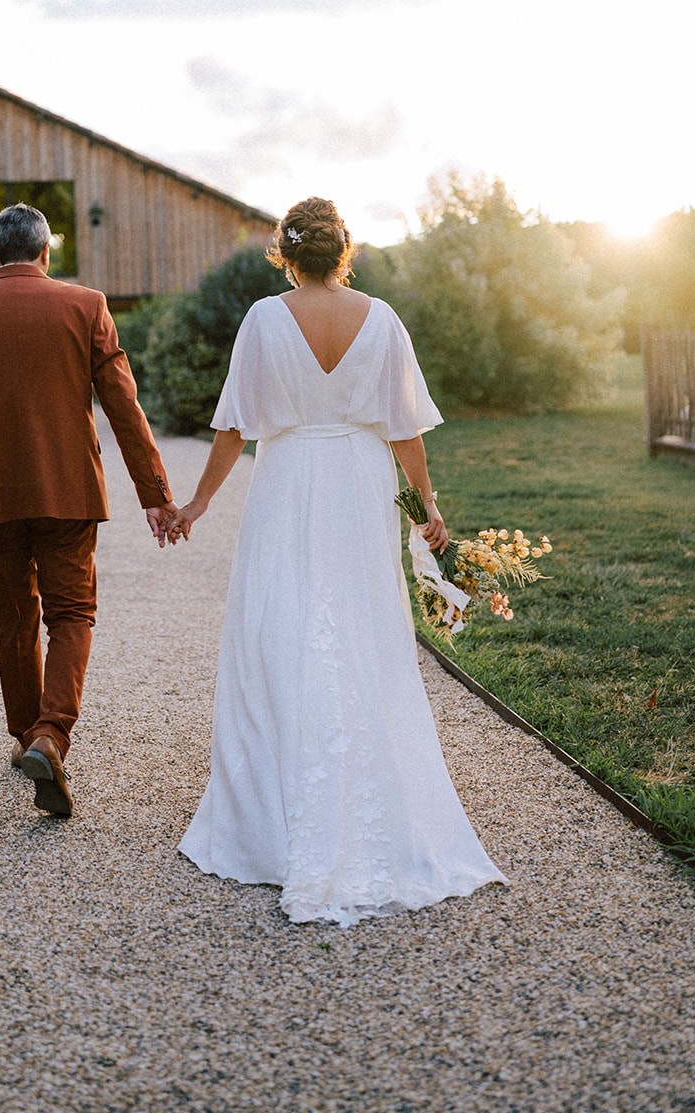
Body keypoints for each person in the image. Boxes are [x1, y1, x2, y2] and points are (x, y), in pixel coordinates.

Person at [169, 196, 507, 925]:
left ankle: (274, 812)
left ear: (284, 253)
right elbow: (404, 430)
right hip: (357, 480)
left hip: (287, 478)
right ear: (341, 252)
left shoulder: (264, 319)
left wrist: (196, 504)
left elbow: (233, 428)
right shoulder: (379, 318)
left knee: (277, 628)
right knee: (360, 623)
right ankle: (360, 787)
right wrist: (428, 506)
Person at [0, 203, 176, 817]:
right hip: (69, 493)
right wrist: (156, 493)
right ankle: (51, 734)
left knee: (14, 615)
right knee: (72, 612)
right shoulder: (85, 306)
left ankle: (25, 737)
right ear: (45, 253)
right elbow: (123, 406)